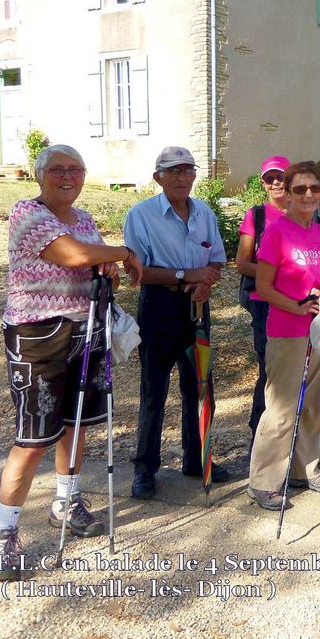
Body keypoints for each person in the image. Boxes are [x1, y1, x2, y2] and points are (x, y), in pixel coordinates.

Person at [0, 144, 144, 581]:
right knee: (34, 437)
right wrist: (123, 254)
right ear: (40, 176)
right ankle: (3, 531)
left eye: (75, 169)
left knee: (77, 424)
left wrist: (107, 266)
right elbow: (74, 256)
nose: (67, 176)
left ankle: (66, 500)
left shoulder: (86, 219)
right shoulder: (27, 214)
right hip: (37, 334)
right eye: (57, 169)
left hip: (85, 330)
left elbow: (90, 263)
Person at [124, 147, 229, 499]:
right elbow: (139, 273)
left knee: (200, 388)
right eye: (174, 171)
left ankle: (197, 460)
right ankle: (144, 469)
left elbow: (216, 262)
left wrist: (205, 280)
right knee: (154, 392)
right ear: (159, 177)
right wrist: (188, 275)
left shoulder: (205, 213)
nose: (183, 177)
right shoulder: (141, 215)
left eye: (188, 170)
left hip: (197, 309)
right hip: (159, 307)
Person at [247, 161, 320, 510]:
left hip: (318, 328)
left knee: (313, 404)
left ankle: (305, 468)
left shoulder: (319, 232)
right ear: (287, 193)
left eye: (314, 188)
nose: (308, 194)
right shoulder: (276, 232)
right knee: (282, 408)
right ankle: (263, 481)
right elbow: (263, 287)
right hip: (286, 331)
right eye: (300, 189)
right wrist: (297, 306)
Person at [236, 155, 290, 448]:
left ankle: (288, 430)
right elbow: (243, 263)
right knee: (268, 366)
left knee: (292, 367)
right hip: (264, 301)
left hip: (296, 302)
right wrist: (278, 273)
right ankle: (260, 428)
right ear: (263, 183)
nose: (276, 182)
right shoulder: (256, 215)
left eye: (280, 176)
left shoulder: (304, 214)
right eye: (270, 178)